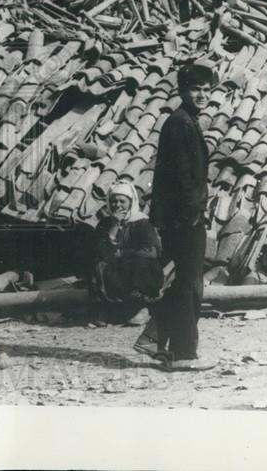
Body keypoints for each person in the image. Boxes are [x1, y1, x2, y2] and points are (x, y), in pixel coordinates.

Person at [135, 60, 216, 371]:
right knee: (188, 285)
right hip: (184, 219)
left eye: (207, 90)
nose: (202, 95)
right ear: (183, 91)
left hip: (181, 217)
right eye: (195, 89)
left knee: (185, 283)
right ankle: (183, 354)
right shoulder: (180, 123)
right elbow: (181, 176)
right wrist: (193, 213)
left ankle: (153, 339)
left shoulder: (184, 121)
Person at [83, 181, 164, 324]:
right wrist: (114, 226)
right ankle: (106, 309)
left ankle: (141, 309)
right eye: (114, 201)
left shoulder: (143, 222)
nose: (118, 205)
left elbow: (151, 251)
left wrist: (123, 255)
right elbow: (99, 250)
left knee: (141, 265)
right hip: (114, 269)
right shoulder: (105, 223)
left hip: (138, 268)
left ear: (131, 202)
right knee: (98, 264)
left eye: (122, 201)